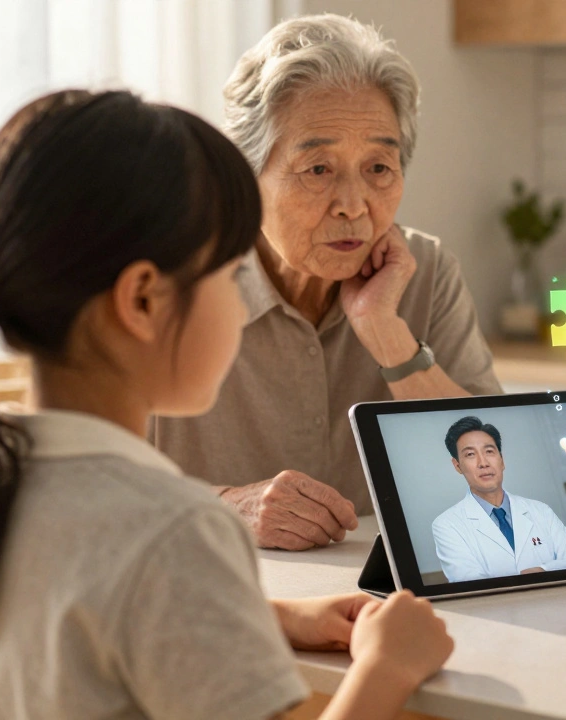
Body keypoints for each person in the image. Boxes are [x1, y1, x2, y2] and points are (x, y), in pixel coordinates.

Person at [0, 90, 453, 720]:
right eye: (231, 274)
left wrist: (265, 614)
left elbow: (87, 612)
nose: (242, 306)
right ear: (144, 300)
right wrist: (387, 666)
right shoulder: (175, 530)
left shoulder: (8, 473)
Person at [151, 14, 504, 551]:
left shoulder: (425, 271)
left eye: (379, 167)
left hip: (390, 605)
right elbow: (76, 487)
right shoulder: (168, 282)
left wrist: (386, 332)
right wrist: (224, 508)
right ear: (245, 175)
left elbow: (503, 475)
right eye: (318, 169)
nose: (354, 205)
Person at [432, 416, 566, 582]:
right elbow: (468, 582)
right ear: (458, 466)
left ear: (502, 460)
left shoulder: (541, 510)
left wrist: (543, 570)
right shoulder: (446, 525)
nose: (483, 463)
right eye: (470, 454)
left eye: (489, 452)